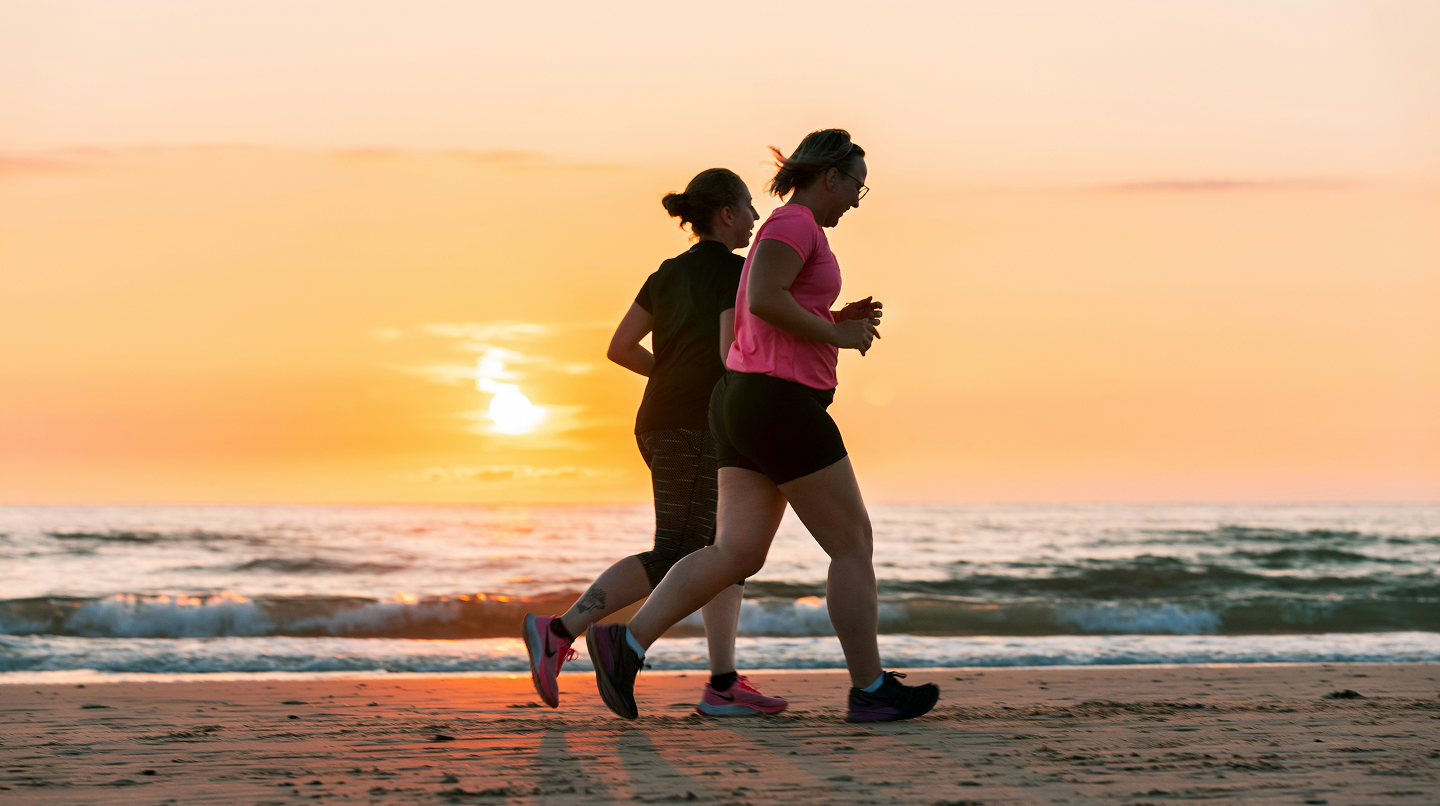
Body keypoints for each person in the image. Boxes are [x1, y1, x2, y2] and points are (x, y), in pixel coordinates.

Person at [585, 129, 940, 722]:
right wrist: (837, 334)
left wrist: (829, 314)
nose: (857, 198)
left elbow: (770, 310)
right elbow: (765, 301)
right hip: (779, 404)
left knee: (735, 552)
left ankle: (626, 643)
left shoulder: (784, 229)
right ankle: (870, 689)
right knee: (852, 545)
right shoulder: (794, 224)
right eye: (857, 184)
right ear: (831, 176)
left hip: (744, 402)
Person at [522, 168, 788, 717]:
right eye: (749, 207)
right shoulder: (736, 274)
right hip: (694, 425)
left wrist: (667, 376)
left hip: (662, 419)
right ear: (726, 214)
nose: (756, 218)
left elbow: (620, 347)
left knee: (724, 549)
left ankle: (723, 682)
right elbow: (725, 353)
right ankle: (560, 630)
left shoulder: (665, 274)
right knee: (679, 549)